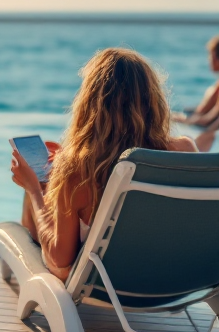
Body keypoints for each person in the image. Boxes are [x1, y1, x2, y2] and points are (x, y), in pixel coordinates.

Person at [11, 48, 197, 280]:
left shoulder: (78, 170)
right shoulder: (185, 151)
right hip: (172, 279)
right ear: (153, 100)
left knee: (38, 186)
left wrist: (35, 190)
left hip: (107, 284)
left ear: (90, 105)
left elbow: (60, 260)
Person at [174, 34, 219, 152]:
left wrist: (182, 119)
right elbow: (202, 112)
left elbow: (210, 119)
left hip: (210, 135)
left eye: (211, 56)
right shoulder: (216, 86)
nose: (209, 60)